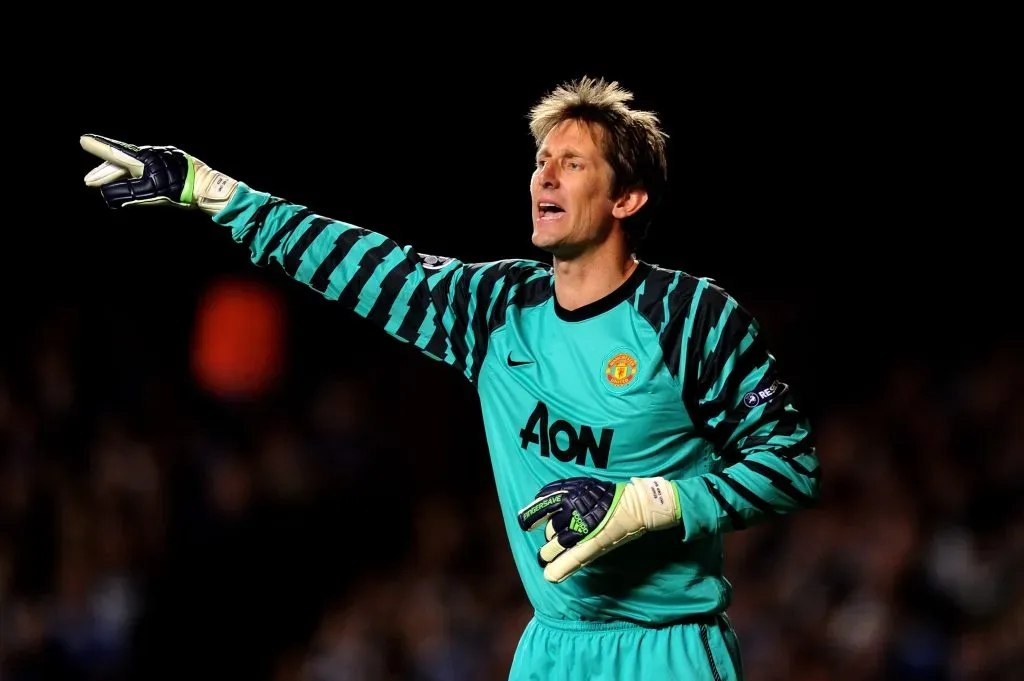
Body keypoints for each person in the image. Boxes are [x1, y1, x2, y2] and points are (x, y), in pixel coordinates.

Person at [80, 76, 820, 680]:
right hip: (552, 648)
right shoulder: (497, 307)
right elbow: (365, 265)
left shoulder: (691, 316)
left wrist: (649, 502)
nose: (544, 175)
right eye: (541, 160)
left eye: (573, 163)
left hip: (669, 649)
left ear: (626, 198)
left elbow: (790, 465)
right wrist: (213, 191)